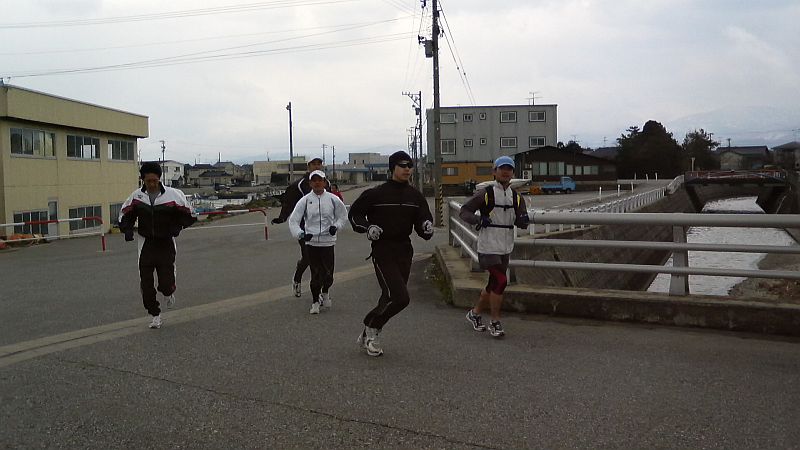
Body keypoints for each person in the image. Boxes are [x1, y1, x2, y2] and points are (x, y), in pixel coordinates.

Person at [349, 150, 434, 356]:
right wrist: (368, 227)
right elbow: (355, 215)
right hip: (383, 249)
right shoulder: (376, 193)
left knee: (389, 296)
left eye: (410, 165)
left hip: (404, 250)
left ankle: (369, 328)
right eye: (402, 165)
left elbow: (423, 223)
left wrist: (426, 227)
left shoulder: (415, 196)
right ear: (392, 168)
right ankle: (372, 329)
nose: (407, 169)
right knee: (400, 297)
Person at [119, 162, 197, 329]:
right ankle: (155, 315)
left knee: (165, 283)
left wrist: (177, 227)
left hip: (166, 242)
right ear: (143, 180)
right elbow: (125, 214)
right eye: (148, 181)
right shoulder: (136, 197)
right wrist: (127, 230)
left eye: (155, 180)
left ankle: (169, 293)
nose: (152, 184)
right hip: (146, 243)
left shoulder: (173, 195)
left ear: (159, 179)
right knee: (146, 284)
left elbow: (190, 215)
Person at [459, 156, 529, 337]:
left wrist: (523, 220)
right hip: (488, 245)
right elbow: (464, 211)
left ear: (513, 173)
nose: (506, 172)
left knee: (493, 284)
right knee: (501, 281)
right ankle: (495, 322)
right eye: (502, 168)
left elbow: (522, 220)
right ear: (494, 171)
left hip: (506, 246)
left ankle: (475, 313)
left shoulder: (517, 197)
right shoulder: (486, 193)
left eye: (509, 169)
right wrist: (478, 219)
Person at [288, 170, 348, 314]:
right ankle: (315, 302)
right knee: (315, 274)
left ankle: (325, 291)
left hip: (328, 242)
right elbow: (293, 220)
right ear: (310, 183)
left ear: (325, 182)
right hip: (312, 243)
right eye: (314, 180)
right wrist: (301, 234)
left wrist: (336, 226)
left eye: (320, 180)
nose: (317, 183)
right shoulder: (305, 200)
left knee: (328, 275)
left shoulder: (333, 199)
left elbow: (342, 216)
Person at [271, 157, 330, 297]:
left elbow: (331, 201)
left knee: (322, 259)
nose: (317, 166)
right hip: (304, 227)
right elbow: (288, 202)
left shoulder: (326, 183)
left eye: (319, 164)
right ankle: (298, 279)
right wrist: (282, 217)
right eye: (314, 164)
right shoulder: (299, 185)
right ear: (308, 166)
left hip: (323, 227)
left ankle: (320, 291)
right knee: (309, 257)